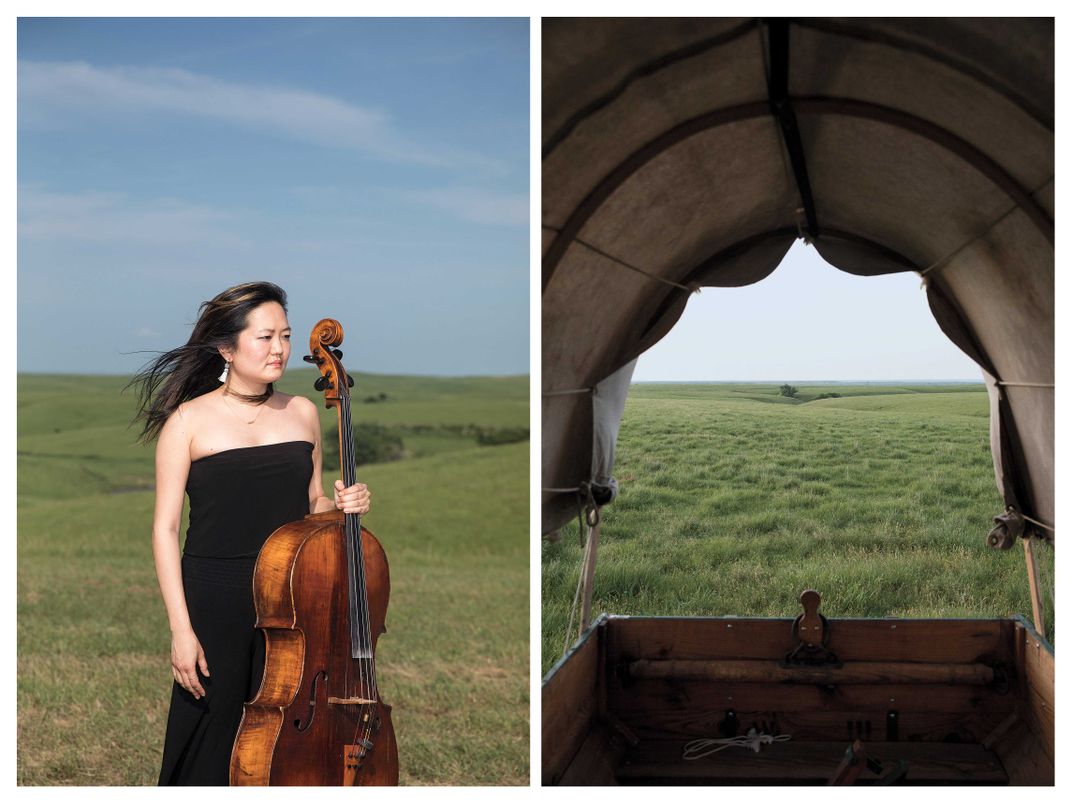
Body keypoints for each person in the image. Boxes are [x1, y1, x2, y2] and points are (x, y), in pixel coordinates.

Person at [130, 281, 371, 785]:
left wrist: (343, 505)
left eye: (284, 335)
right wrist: (181, 630)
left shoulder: (303, 412)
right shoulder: (188, 422)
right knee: (210, 732)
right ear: (226, 348)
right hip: (216, 596)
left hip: (291, 597)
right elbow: (165, 528)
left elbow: (311, 505)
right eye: (264, 337)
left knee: (287, 734)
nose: (280, 349)